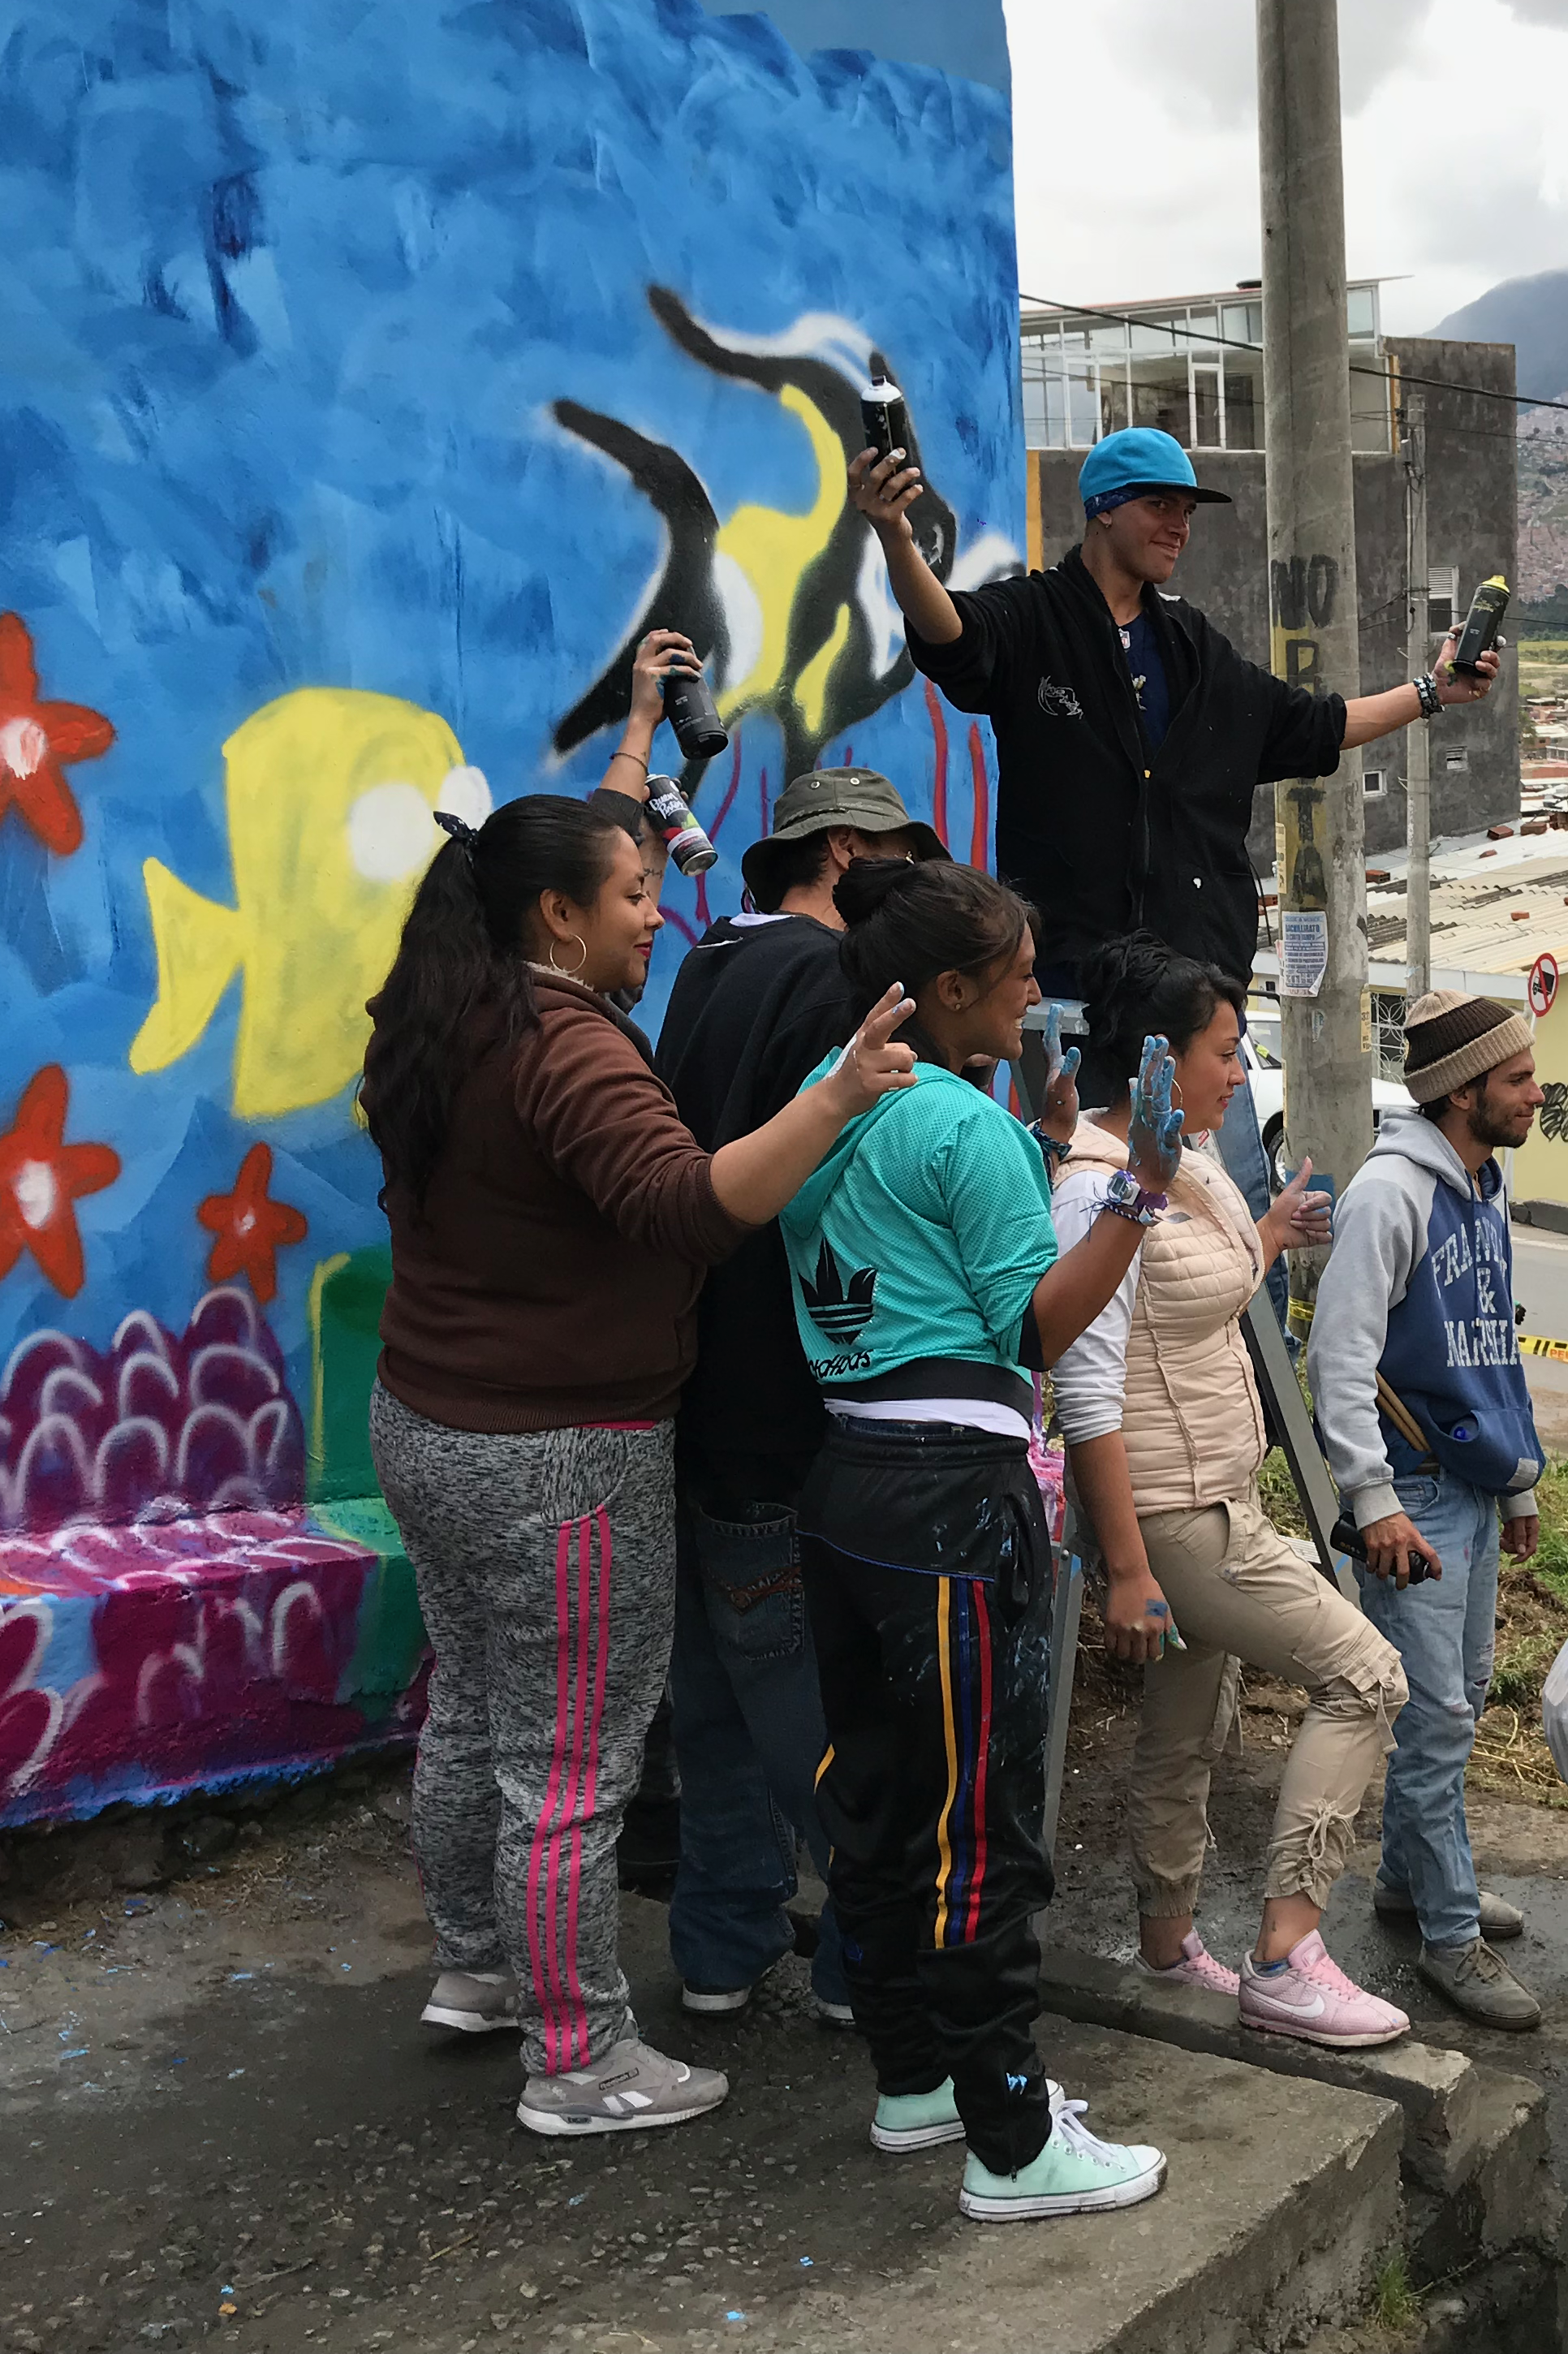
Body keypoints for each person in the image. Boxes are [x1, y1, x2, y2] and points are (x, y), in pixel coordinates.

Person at [360, 650, 918, 2137]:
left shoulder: (448, 1002)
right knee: (572, 1764)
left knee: (474, 1713)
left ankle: (478, 1969)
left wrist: (627, 743)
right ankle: (580, 2053)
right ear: (559, 915)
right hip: (557, 1455)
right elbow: (690, 1204)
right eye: (628, 900)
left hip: (428, 1420)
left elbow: (546, 847)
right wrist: (840, 1090)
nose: (653, 913)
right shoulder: (571, 1049)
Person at [776, 856, 1185, 2223]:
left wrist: (1032, 1135)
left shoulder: (840, 1098)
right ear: (950, 989)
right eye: (1015, 981)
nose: (1034, 999)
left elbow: (911, 1247)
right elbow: (1033, 1325)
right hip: (952, 1490)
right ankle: (1011, 2136)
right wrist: (1136, 1191)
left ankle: (917, 2079)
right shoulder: (964, 1125)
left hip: (843, 1483)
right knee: (981, 1821)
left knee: (885, 1798)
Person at [850, 425, 1501, 1230]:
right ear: (1102, 512)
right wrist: (893, 534)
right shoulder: (1035, 619)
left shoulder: (1192, 649)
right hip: (1072, 999)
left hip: (1189, 994)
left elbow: (1313, 725)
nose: (1178, 526)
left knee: (1212, 1217)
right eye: (1160, 504)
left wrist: (1431, 692)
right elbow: (951, 637)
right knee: (1083, 1210)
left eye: (1187, 510)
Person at [1047, 934, 1414, 2046]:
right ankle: (1288, 1952)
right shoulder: (1099, 1190)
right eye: (1222, 1049)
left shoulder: (1181, 1158)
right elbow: (1085, 1390)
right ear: (1156, 1058)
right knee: (1366, 1676)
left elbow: (1200, 1286)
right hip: (1170, 1515)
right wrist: (1122, 1567)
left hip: (1217, 1492)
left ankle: (1166, 1944)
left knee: (1184, 1730)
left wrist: (1264, 1232)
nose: (1239, 1069)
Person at [652, 766, 946, 2028]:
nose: (911, 887)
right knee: (813, 1707)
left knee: (716, 1694)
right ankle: (865, 1960)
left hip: (695, 1386)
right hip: (792, 1398)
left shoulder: (711, 960)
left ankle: (721, 1948)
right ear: (840, 853)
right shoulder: (834, 988)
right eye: (895, 861)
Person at [1308, 990, 1548, 2031]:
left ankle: (1409, 1883)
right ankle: (1449, 1939)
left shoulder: (1484, 1189)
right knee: (1437, 1719)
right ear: (1461, 1092)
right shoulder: (1390, 1196)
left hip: (1477, 1485)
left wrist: (1523, 1479)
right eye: (1518, 1079)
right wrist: (1370, 1501)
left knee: (1465, 1695)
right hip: (1410, 1495)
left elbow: (1492, 1343)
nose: (1537, 1094)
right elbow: (1339, 1356)